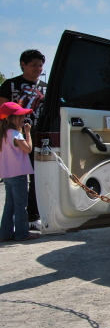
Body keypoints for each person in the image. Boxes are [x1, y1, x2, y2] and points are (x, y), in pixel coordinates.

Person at [0, 50, 46, 231]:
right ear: (23, 65)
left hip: (38, 136)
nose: (38, 68)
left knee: (37, 176)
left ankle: (33, 216)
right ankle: (14, 223)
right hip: (13, 136)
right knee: (15, 179)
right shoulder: (10, 84)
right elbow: (2, 110)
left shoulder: (46, 86)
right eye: (33, 64)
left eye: (40, 65)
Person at [0, 102, 39, 241]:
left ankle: (5, 233)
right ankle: (22, 233)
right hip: (19, 174)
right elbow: (28, 149)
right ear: (10, 118)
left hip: (7, 175)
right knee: (21, 205)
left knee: (9, 205)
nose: (23, 118)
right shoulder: (16, 134)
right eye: (19, 116)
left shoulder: (3, 134)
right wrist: (28, 133)